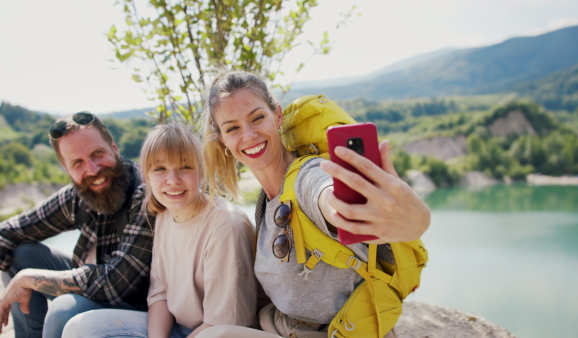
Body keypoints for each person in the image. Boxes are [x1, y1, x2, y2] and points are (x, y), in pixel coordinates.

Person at [197, 71, 431, 337]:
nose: (248, 135)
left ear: (277, 116)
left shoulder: (306, 176)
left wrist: (406, 219)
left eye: (257, 118)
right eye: (232, 128)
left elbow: (326, 195)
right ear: (222, 140)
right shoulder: (266, 201)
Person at [61, 124, 257, 337]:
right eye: (160, 169)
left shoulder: (225, 225)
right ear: (146, 176)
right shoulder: (163, 216)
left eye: (185, 167)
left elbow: (223, 324)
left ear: (201, 171)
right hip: (178, 327)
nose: (172, 180)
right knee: (80, 327)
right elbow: (160, 294)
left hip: (220, 333)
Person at [0, 112, 154, 338]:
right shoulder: (77, 197)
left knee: (65, 309)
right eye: (78, 163)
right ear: (67, 170)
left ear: (115, 148)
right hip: (94, 290)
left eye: (97, 153)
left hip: (145, 311)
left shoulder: (147, 193)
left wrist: (29, 279)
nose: (92, 170)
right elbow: (8, 232)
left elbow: (114, 284)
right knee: (20, 254)